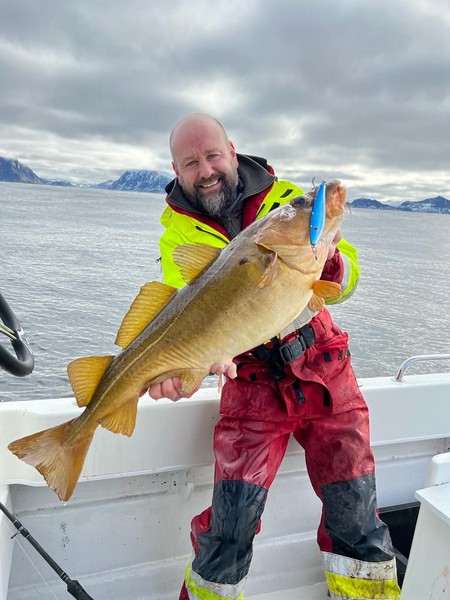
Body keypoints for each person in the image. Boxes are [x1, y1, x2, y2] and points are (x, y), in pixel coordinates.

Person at [148, 113, 401, 600]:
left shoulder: (286, 201)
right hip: (250, 382)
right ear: (176, 170)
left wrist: (332, 262)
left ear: (233, 150)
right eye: (191, 162)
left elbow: (347, 279)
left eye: (213, 155)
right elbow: (184, 312)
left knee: (357, 514)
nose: (206, 170)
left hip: (325, 369)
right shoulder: (175, 234)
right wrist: (180, 368)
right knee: (230, 528)